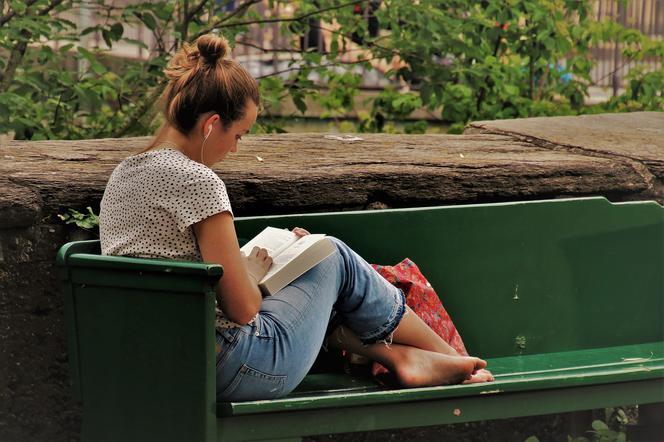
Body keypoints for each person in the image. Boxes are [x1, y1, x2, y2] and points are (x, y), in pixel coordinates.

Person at [99, 34, 493, 402]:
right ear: (211, 124)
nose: (235, 149)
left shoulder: (123, 176)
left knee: (315, 268)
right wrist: (251, 274)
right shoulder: (199, 182)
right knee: (333, 256)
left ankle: (401, 357)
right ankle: (455, 357)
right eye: (239, 135)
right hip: (227, 366)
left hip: (144, 358)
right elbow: (243, 310)